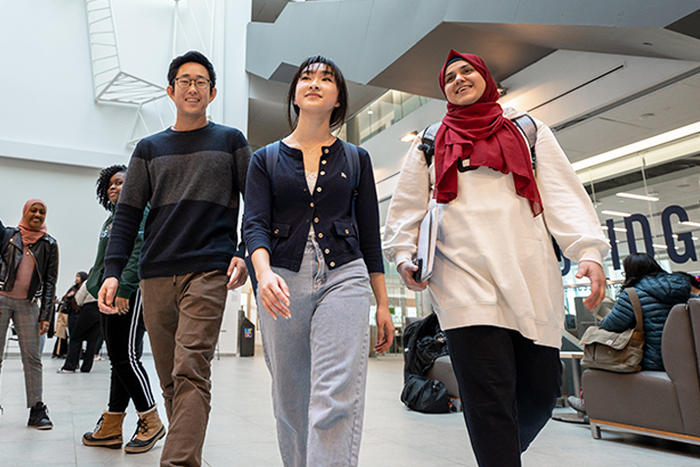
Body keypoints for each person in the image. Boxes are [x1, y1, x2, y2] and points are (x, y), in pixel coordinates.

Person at [382, 50, 609, 467]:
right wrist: (402, 255)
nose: (458, 78)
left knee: (541, 393)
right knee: (488, 398)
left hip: (530, 278)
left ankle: (499, 452)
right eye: (449, 76)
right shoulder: (431, 140)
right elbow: (407, 207)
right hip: (461, 280)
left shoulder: (528, 128)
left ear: (487, 78)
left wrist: (588, 252)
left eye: (467, 70)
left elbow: (562, 193)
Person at [98, 50, 251, 467]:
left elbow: (256, 203)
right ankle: (185, 451)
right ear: (170, 90)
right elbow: (127, 217)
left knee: (191, 369)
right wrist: (114, 273)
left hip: (208, 268)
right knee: (169, 377)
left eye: (201, 81)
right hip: (155, 275)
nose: (192, 87)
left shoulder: (231, 141)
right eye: (184, 80)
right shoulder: (149, 149)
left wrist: (243, 253)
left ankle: (178, 462)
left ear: (213, 92)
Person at [243, 55, 394, 467]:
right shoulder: (265, 158)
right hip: (282, 279)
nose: (315, 82)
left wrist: (382, 303)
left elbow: (369, 236)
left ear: (338, 99)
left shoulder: (357, 159)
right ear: (294, 93)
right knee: (290, 399)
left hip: (345, 274)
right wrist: (262, 273)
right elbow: (253, 224)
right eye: (306, 77)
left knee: (334, 395)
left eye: (326, 79)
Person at [81, 164, 164, 453]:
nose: (115, 187)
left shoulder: (139, 212)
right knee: (118, 358)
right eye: (111, 184)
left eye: (121, 183)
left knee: (126, 357)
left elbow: (140, 248)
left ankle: (151, 420)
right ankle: (113, 424)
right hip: (108, 293)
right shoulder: (111, 220)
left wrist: (125, 287)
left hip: (126, 291)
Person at [0, 199, 58, 429]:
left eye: (42, 211)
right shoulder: (8, 236)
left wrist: (46, 315)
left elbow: (50, 282)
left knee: (33, 359)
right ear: (25, 212)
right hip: (1, 299)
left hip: (28, 304)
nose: (37, 214)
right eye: (33, 210)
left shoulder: (50, 244)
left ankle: (37, 410)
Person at [601, 253, 695, 371]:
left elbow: (612, 324)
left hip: (655, 360)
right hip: (690, 355)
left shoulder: (632, 294)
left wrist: (602, 319)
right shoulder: (680, 288)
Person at [58, 280, 101, 373]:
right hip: (101, 310)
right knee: (92, 340)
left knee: (75, 337)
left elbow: (78, 298)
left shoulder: (90, 282)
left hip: (88, 309)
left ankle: (70, 366)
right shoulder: (107, 281)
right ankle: (86, 367)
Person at [52, 271, 87, 359]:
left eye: (78, 277)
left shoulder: (84, 288)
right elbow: (64, 298)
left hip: (80, 314)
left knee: (76, 335)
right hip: (69, 313)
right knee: (65, 334)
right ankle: (62, 353)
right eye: (76, 276)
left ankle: (76, 354)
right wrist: (69, 295)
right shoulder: (73, 288)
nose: (76, 278)